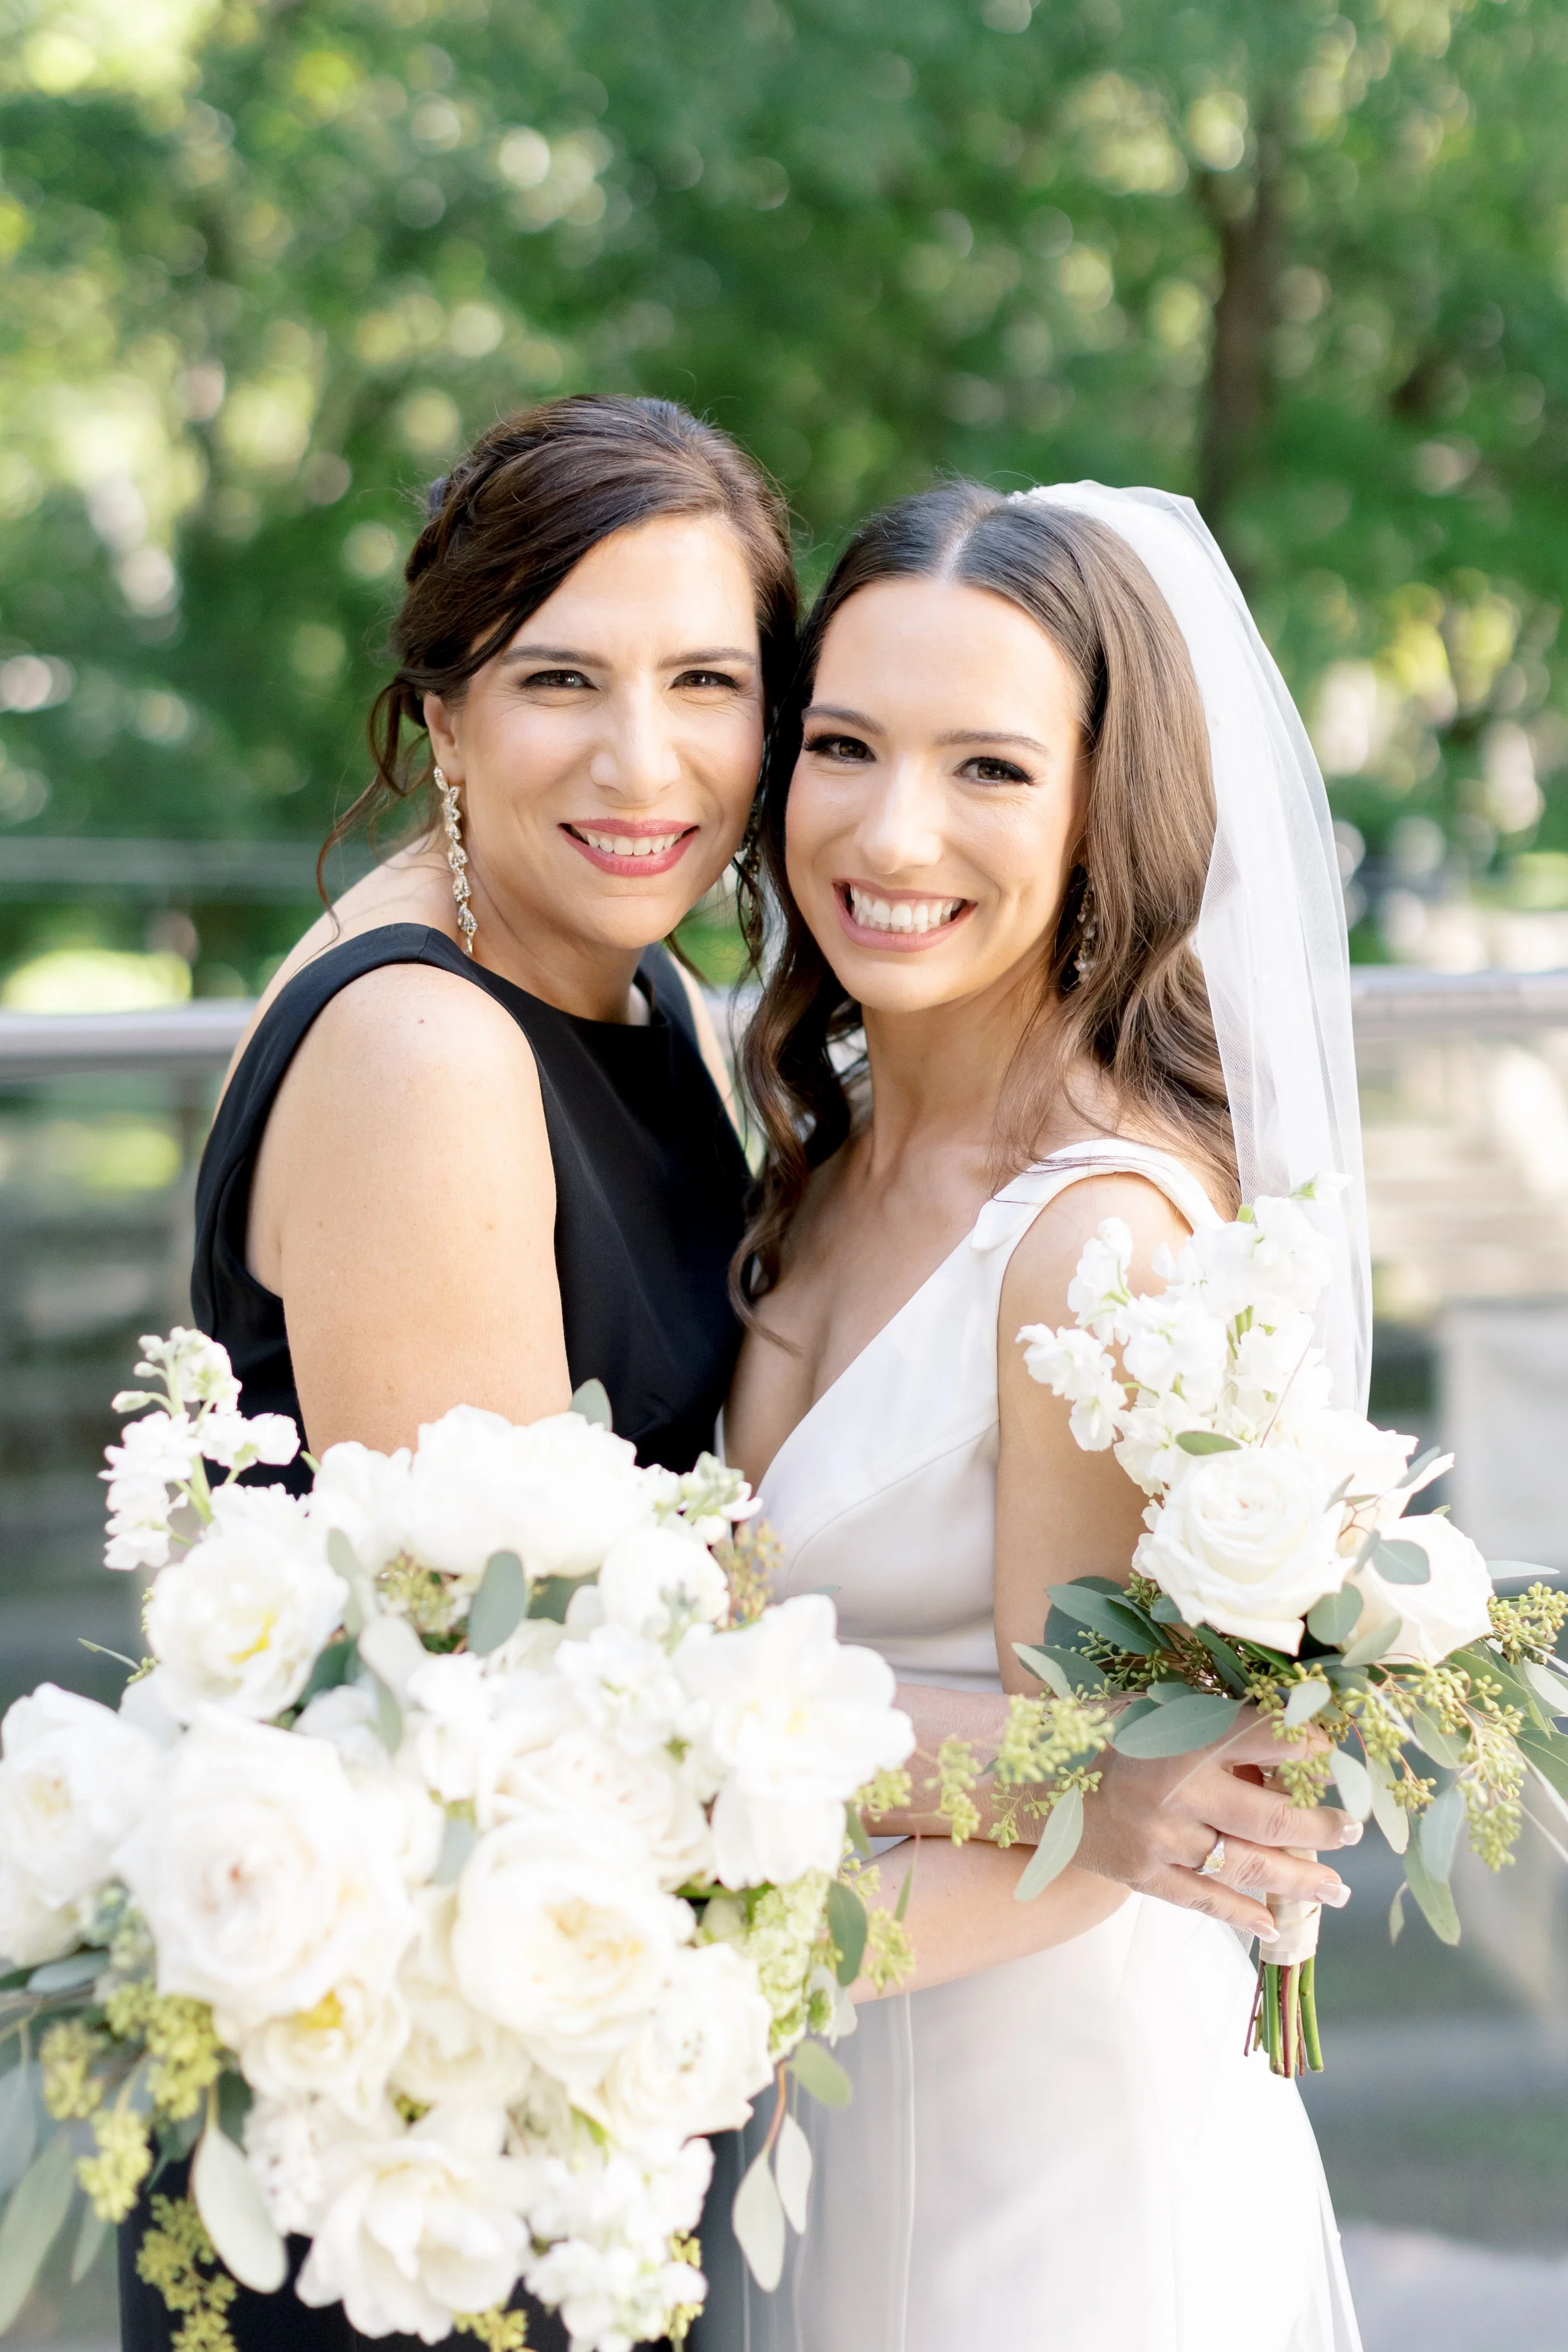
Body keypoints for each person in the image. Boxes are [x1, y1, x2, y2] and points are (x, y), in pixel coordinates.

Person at [117, 393, 797, 2352]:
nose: (641, 756)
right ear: (439, 713)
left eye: (705, 681)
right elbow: (529, 1706)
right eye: (557, 679)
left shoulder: (621, 967)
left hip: (565, 2066)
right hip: (420, 2148)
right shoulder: (427, 1046)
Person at [714, 481, 1367, 2351]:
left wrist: (663, 1986)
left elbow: (1095, 1818)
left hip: (1023, 2172)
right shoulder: (819, 1147)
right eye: (841, 744)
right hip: (843, 2111)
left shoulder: (1093, 1243)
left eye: (988, 768)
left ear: (1104, 809)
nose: (890, 827)